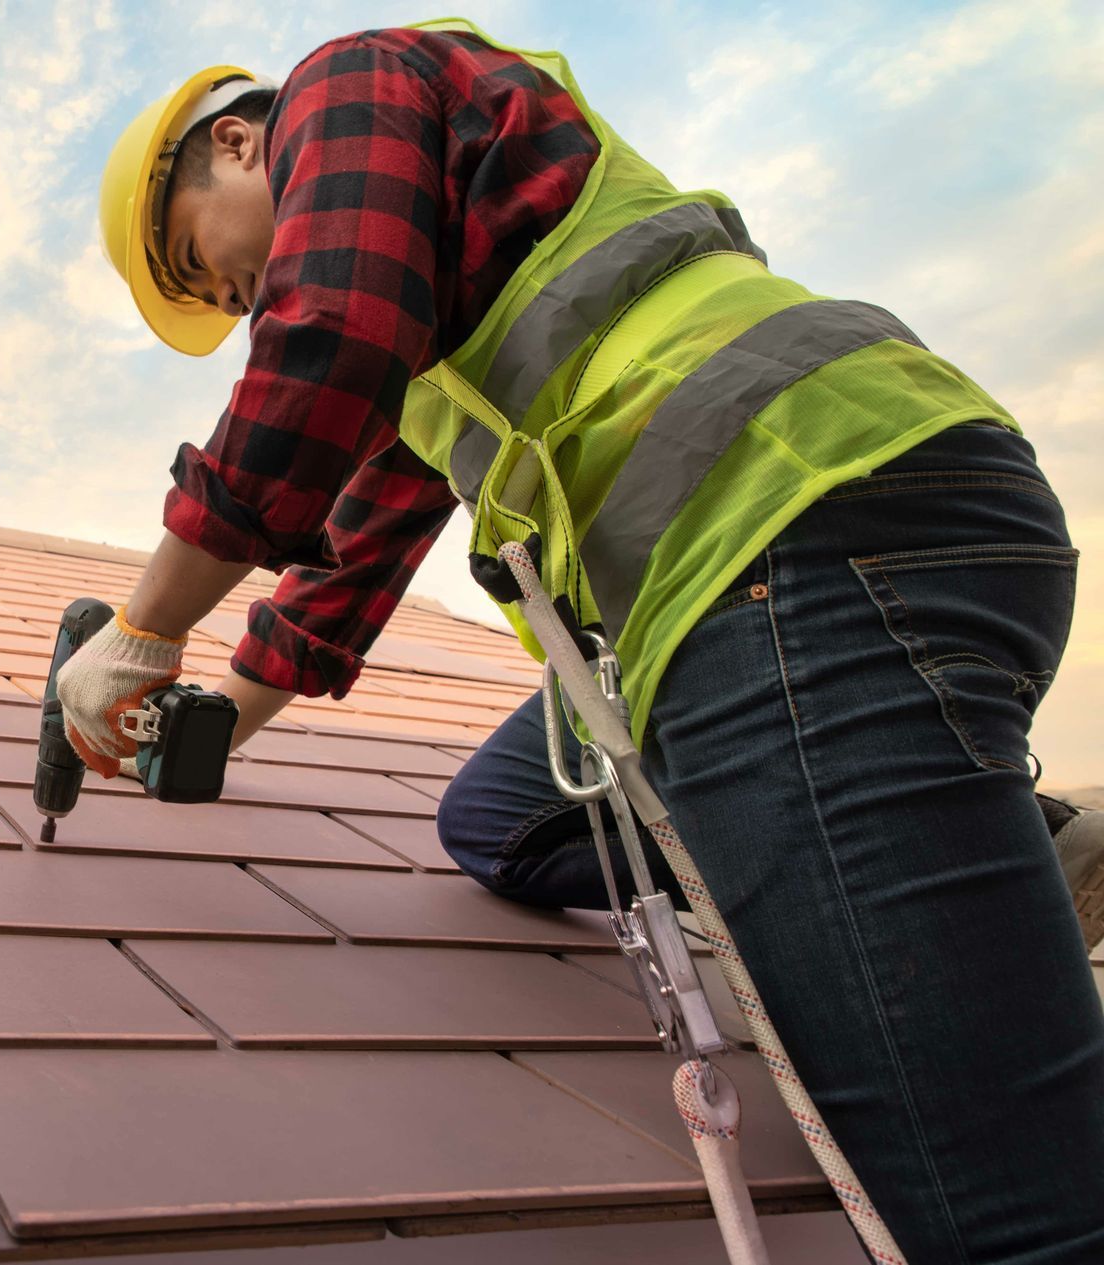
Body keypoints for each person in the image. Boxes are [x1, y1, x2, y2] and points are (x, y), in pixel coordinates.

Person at [58, 18, 1104, 1262]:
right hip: (762, 575)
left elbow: (324, 338)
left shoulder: (353, 79)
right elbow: (350, 552)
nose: (230, 304)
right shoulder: (443, 338)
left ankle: (886, 865)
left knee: (992, 1213)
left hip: (798, 531)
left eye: (204, 263)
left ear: (237, 141)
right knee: (498, 819)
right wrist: (217, 716)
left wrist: (145, 626)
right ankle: (1003, 843)